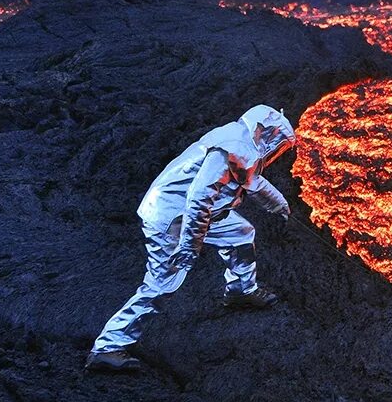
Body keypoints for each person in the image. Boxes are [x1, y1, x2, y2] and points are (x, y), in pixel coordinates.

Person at [87, 104, 297, 372]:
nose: (277, 148)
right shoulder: (233, 147)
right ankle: (106, 347)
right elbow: (197, 201)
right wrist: (189, 245)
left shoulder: (240, 141)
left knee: (241, 234)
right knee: (162, 284)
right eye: (278, 140)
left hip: (202, 215)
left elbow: (250, 179)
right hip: (172, 219)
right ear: (263, 130)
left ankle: (240, 291)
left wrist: (278, 204)